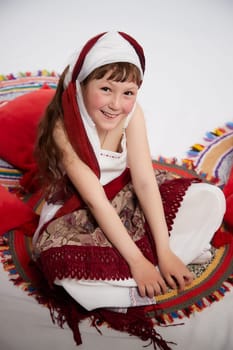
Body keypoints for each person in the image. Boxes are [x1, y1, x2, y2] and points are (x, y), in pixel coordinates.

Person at [33, 31, 226, 312]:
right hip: (83, 209)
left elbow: (145, 182)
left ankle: (165, 256)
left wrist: (164, 251)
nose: (115, 104)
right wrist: (137, 262)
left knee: (210, 197)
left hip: (127, 194)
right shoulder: (63, 128)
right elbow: (96, 201)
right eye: (106, 89)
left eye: (128, 93)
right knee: (63, 269)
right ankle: (141, 269)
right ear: (81, 86)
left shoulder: (132, 114)